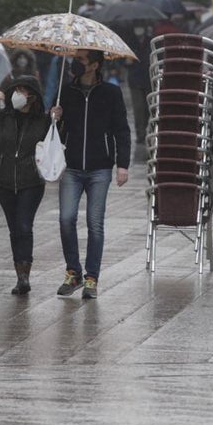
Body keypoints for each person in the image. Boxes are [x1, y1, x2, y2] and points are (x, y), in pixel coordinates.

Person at [51, 49, 131, 299]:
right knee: (66, 219)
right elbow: (54, 131)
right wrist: (54, 118)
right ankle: (73, 272)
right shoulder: (65, 91)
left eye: (82, 60)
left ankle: (91, 278)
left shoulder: (111, 93)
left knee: (95, 224)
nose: (76, 63)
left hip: (100, 168)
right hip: (71, 166)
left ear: (95, 65)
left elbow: (122, 129)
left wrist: (122, 164)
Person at [0, 76, 51, 294]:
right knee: (14, 229)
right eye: (15, 89)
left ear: (33, 95)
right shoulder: (4, 116)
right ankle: (19, 273)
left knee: (24, 226)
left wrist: (58, 121)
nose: (18, 93)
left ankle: (24, 276)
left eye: (23, 90)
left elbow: (57, 143)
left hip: (31, 181)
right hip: (4, 181)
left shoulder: (43, 120)